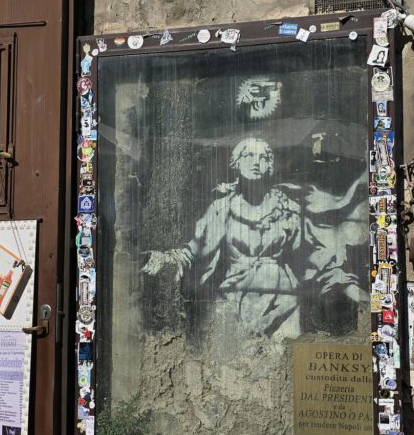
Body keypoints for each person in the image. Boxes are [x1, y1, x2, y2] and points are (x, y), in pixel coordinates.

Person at [142, 137, 366, 339]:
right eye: (248, 156)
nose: (256, 162)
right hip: (237, 297)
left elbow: (314, 257)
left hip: (282, 301)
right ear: (236, 164)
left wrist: (349, 288)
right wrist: (167, 259)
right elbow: (197, 249)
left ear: (270, 166)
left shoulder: (286, 208)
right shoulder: (223, 208)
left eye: (263, 158)